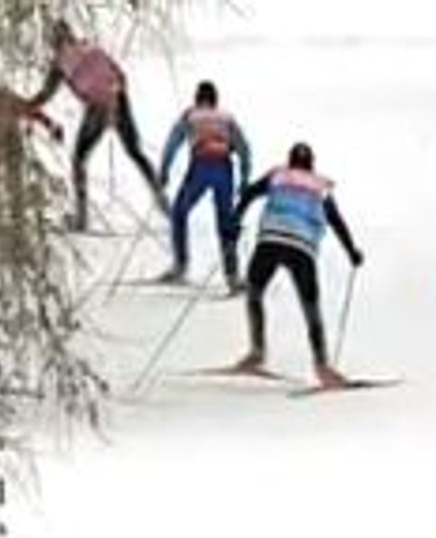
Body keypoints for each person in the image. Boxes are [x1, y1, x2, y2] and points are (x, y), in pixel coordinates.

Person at [230, 142, 363, 388]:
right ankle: (322, 365)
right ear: (311, 164)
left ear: (290, 161)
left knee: (254, 292)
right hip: (302, 247)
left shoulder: (277, 175)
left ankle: (257, 352)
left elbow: (248, 193)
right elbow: (335, 220)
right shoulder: (320, 186)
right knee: (310, 306)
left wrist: (234, 223)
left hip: (270, 239)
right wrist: (351, 251)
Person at [25, 19, 169, 231]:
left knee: (79, 161)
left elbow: (44, 95)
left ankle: (81, 220)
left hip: (97, 109)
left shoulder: (59, 64)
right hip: (119, 100)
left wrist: (24, 107)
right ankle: (164, 204)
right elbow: (120, 75)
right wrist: (115, 101)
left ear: (52, 42)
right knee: (135, 152)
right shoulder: (92, 47)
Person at [156, 81, 252, 292]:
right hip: (224, 170)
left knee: (179, 213)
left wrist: (163, 172)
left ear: (197, 98)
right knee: (225, 222)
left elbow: (172, 143)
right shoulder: (227, 118)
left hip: (200, 167)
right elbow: (243, 148)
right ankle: (233, 276)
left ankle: (180, 266)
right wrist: (245, 178)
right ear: (215, 100)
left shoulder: (190, 115)